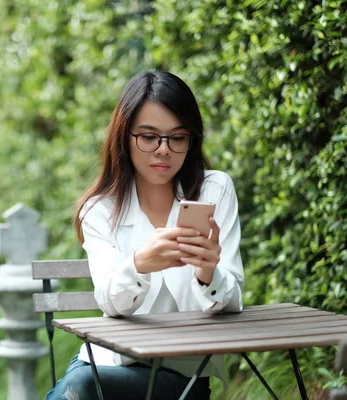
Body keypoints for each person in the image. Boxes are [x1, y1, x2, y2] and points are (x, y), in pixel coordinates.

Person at [46, 71, 244, 400]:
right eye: (149, 137)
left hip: (183, 376)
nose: (163, 150)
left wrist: (207, 273)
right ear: (125, 137)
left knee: (77, 393)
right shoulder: (99, 209)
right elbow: (110, 301)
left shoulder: (214, 189)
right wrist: (139, 264)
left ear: (191, 140)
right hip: (105, 365)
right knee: (78, 390)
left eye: (177, 137)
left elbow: (233, 301)